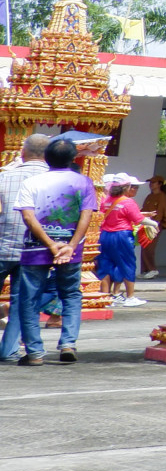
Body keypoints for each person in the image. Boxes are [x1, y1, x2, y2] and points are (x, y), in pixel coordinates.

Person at [12, 136, 99, 363]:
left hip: (36, 248)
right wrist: (70, 245)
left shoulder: (32, 182)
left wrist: (50, 244)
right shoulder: (84, 182)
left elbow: (28, 217)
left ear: (46, 158)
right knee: (70, 294)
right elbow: (86, 216)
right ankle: (68, 344)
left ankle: (34, 352)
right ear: (73, 158)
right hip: (71, 249)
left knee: (29, 297)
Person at [0, 135, 44, 365]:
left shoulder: (4, 177)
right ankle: (8, 350)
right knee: (21, 302)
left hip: (2, 244)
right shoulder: (52, 181)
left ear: (23, 153)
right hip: (34, 251)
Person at [96, 174, 147, 306]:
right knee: (127, 263)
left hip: (105, 235)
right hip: (122, 235)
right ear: (126, 187)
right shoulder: (127, 201)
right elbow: (138, 219)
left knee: (105, 265)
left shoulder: (107, 200)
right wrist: (153, 224)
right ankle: (130, 297)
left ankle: (106, 298)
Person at [140, 175, 166, 278]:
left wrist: (156, 224)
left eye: (153, 182)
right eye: (150, 183)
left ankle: (152, 269)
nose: (151, 185)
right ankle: (145, 270)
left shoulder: (161, 196)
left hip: (154, 225)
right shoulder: (150, 196)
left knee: (149, 247)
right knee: (144, 246)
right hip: (146, 224)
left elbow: (161, 212)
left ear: (159, 184)